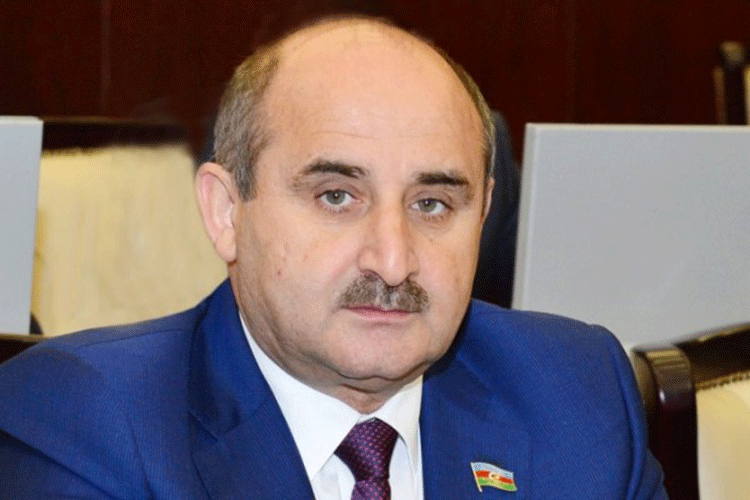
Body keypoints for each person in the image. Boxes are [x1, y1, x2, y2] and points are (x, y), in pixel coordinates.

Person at [0, 15, 666, 499]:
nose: (393, 261)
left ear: (484, 213)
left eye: (433, 204)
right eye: (337, 197)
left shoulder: (576, 392)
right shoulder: (85, 420)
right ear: (227, 213)